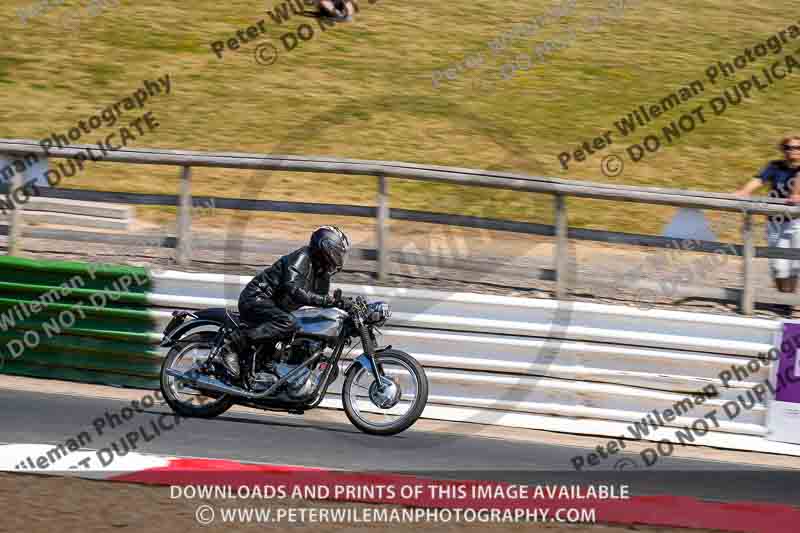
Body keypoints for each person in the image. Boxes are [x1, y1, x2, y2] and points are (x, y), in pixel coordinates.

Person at [226, 226, 351, 378]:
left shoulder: (321, 272)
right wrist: (328, 300)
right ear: (326, 247)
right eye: (338, 253)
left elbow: (320, 301)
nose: (339, 258)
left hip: (276, 306)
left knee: (300, 326)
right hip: (257, 298)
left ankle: (266, 365)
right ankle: (233, 345)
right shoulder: (302, 257)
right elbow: (294, 289)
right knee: (287, 322)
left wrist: (344, 306)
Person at [736, 135, 800, 314]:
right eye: (789, 147)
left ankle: (788, 301)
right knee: (779, 267)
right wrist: (744, 191)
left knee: (796, 265)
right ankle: (782, 298)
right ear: (783, 150)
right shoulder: (775, 166)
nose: (793, 151)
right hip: (776, 221)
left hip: (797, 222)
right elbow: (758, 180)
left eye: (797, 148)